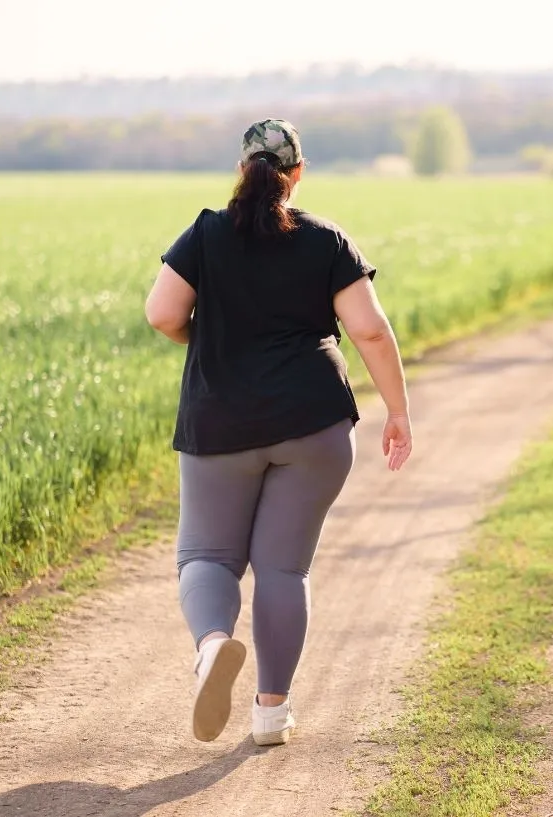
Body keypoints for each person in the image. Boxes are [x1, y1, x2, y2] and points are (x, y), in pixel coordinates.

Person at [143, 118, 413, 747]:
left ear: (243, 170)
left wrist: (205, 336)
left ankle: (212, 645)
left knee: (208, 556)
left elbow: (162, 313)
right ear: (297, 173)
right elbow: (370, 330)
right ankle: (271, 712)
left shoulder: (207, 232)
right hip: (313, 423)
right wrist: (398, 412)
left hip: (221, 421)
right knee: (283, 570)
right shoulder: (326, 240)